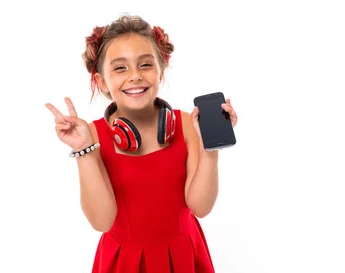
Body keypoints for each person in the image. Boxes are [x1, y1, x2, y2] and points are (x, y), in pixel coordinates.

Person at [45, 13, 237, 273]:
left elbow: (200, 207)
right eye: (120, 67)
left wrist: (209, 148)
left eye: (145, 64)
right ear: (102, 80)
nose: (135, 76)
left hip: (183, 254)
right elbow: (102, 221)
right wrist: (84, 151)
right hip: (124, 261)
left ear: (161, 70)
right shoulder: (92, 135)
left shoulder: (187, 125)